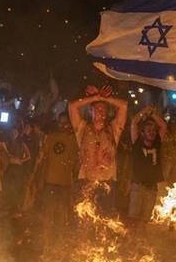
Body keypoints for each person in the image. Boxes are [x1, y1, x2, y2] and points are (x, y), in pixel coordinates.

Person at [68, 85, 127, 215]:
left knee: (106, 220)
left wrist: (106, 98)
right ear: (91, 111)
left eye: (103, 109)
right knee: (84, 218)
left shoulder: (114, 129)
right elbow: (72, 106)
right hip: (86, 182)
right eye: (97, 108)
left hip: (107, 183)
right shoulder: (82, 128)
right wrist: (95, 97)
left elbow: (124, 106)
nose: (101, 112)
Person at [32, 113, 79, 251]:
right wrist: (38, 178)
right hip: (50, 182)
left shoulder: (74, 140)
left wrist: (74, 182)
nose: (63, 125)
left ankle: (58, 244)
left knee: (61, 214)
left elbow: (75, 164)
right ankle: (46, 243)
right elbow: (43, 159)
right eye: (60, 122)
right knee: (48, 213)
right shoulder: (51, 138)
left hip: (66, 184)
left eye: (65, 122)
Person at [123, 105, 167, 231]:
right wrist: (144, 111)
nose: (152, 133)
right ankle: (130, 243)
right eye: (148, 130)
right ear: (143, 132)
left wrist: (152, 113)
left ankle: (140, 244)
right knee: (133, 218)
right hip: (138, 185)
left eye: (153, 130)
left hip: (152, 187)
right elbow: (134, 122)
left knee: (144, 219)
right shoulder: (137, 142)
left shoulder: (158, 142)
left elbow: (163, 126)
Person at [161, 118, 176, 187]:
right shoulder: (164, 134)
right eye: (172, 124)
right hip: (166, 160)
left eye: (175, 124)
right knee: (165, 177)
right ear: (169, 125)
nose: (173, 126)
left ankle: (173, 190)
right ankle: (164, 190)